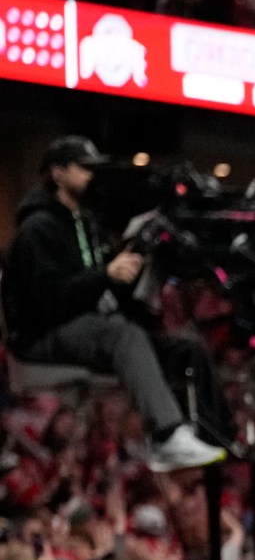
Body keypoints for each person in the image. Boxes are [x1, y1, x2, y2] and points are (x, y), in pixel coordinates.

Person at [2, 135, 226, 471]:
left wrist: (130, 268)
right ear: (58, 173)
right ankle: (166, 436)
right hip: (43, 334)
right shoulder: (38, 229)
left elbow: (101, 292)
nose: (93, 176)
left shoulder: (87, 224)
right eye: (84, 169)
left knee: (184, 350)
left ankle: (217, 438)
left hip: (86, 324)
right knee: (123, 336)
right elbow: (47, 302)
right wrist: (106, 274)